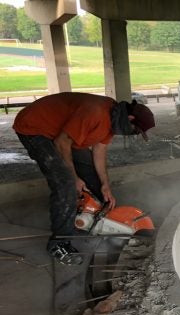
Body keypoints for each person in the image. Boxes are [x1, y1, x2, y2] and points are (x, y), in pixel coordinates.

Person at [13, 92, 156, 265]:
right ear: (131, 119)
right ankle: (59, 244)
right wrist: (74, 178)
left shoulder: (114, 117)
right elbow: (61, 143)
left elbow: (99, 152)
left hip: (61, 131)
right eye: (135, 131)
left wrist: (105, 186)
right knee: (65, 183)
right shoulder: (96, 113)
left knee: (91, 174)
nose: (133, 134)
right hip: (35, 127)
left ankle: (94, 219)